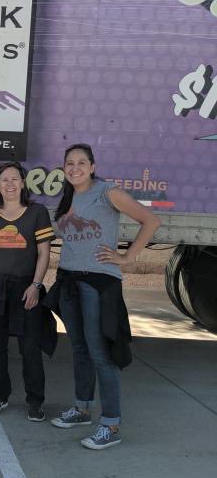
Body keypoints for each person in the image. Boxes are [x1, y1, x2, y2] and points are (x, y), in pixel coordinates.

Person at [46, 144, 160, 450]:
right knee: (80, 349)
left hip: (98, 284)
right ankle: (82, 408)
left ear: (93, 166)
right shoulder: (70, 196)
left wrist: (128, 257)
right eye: (69, 163)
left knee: (101, 353)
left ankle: (111, 423)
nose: (75, 167)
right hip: (69, 281)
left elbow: (151, 221)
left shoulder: (107, 191)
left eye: (82, 162)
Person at [0, 162, 54, 420]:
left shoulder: (37, 212)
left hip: (26, 287)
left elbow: (44, 252)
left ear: (22, 183)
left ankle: (35, 401)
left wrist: (36, 285)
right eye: (4, 179)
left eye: (14, 179)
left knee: (30, 347)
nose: (9, 184)